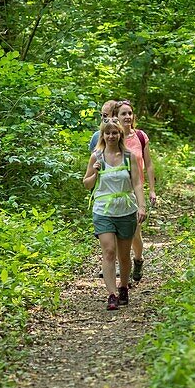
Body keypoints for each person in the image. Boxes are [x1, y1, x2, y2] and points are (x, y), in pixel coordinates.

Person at [83, 119, 146, 310]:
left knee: (124, 255)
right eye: (107, 133)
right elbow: (86, 184)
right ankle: (111, 294)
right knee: (109, 251)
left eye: (115, 133)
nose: (111, 136)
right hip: (103, 210)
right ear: (102, 135)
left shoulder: (129, 156)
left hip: (126, 209)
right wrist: (94, 173)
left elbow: (136, 183)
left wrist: (141, 206)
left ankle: (124, 286)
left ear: (120, 135)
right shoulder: (96, 157)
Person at [116, 100, 156, 283]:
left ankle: (138, 259)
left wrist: (152, 191)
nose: (127, 117)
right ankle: (124, 268)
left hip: (135, 190)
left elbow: (148, 164)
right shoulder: (111, 137)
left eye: (129, 113)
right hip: (115, 192)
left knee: (134, 233)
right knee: (118, 233)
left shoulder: (140, 137)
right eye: (123, 114)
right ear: (116, 117)